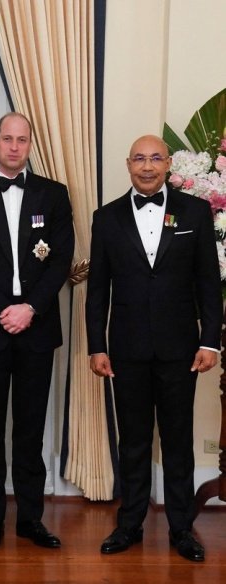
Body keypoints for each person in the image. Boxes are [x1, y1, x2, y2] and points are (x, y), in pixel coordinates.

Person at [86, 135, 223, 562]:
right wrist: (96, 346)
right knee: (133, 442)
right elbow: (97, 291)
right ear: (128, 164)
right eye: (140, 159)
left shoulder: (195, 212)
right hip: (125, 350)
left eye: (156, 158)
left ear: (168, 164)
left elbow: (207, 284)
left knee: (178, 441)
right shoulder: (105, 218)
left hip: (182, 349)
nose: (147, 166)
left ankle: (182, 529)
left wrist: (209, 341)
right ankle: (129, 525)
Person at [0, 113, 75, 549]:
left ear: (29, 144)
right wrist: (5, 309)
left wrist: (30, 309)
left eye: (23, 140)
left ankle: (31, 519)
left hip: (37, 330)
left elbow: (61, 261)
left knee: (30, 427)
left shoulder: (54, 195)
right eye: (8, 139)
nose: (15, 147)